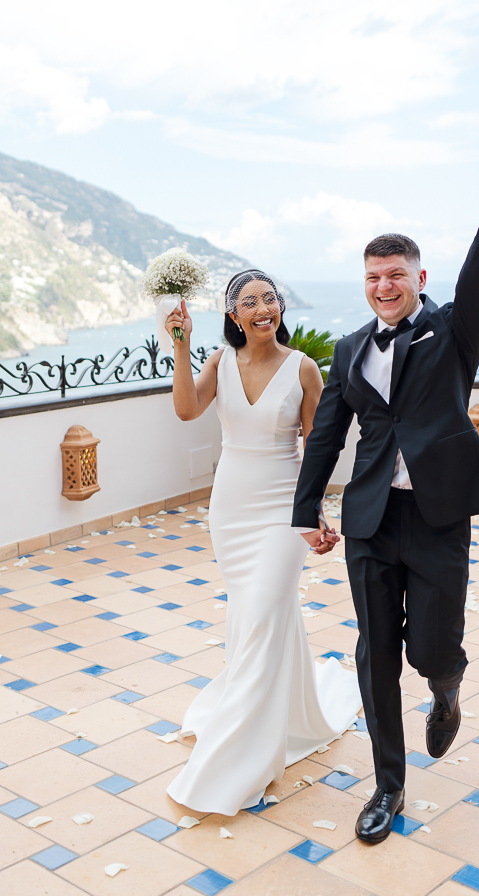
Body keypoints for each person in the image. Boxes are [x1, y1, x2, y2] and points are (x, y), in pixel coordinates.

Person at [292, 130, 479, 843]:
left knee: (429, 647)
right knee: (374, 655)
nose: (383, 285)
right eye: (372, 276)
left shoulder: (455, 332)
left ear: (418, 279)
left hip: (435, 517)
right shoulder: (347, 350)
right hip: (368, 519)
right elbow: (327, 434)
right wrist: (307, 510)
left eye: (395, 274)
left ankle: (446, 687)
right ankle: (387, 786)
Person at [164, 269, 361, 816]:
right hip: (230, 508)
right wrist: (180, 345)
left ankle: (239, 756)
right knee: (256, 617)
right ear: (232, 315)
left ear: (280, 308)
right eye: (248, 302)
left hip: (282, 509)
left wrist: (315, 514)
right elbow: (185, 409)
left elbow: (319, 448)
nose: (261, 308)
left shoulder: (302, 369)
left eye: (269, 298)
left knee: (265, 608)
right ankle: (289, 712)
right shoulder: (219, 363)